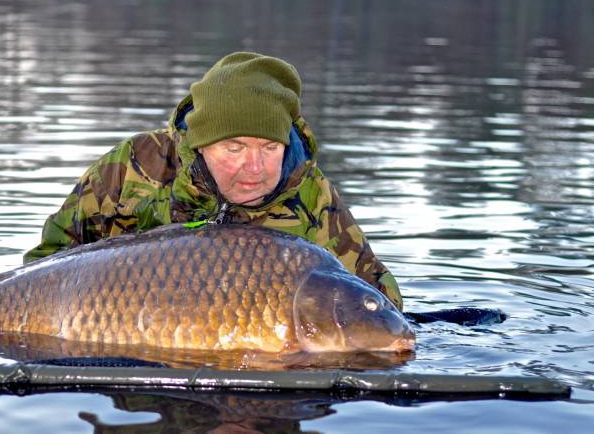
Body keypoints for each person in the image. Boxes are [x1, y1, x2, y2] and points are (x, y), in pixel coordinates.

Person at [24, 52, 403, 310]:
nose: (254, 167)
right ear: (201, 143)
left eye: (270, 147)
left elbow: (377, 301)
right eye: (235, 148)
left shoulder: (310, 193)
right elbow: (44, 268)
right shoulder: (130, 168)